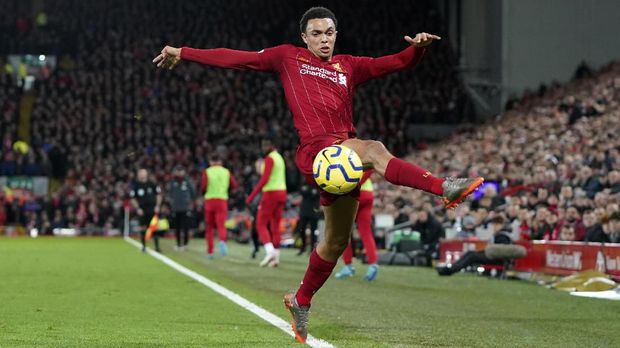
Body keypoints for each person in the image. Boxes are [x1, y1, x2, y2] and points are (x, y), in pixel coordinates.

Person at [153, 6, 483, 343]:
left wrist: (418, 49)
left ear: (336, 34)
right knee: (373, 148)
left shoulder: (348, 66)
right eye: (316, 34)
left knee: (335, 241)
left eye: (329, 33)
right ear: (304, 37)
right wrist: (184, 52)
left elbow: (395, 63)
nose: (324, 39)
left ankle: (300, 300)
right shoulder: (287, 58)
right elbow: (237, 58)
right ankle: (444, 187)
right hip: (315, 153)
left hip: (343, 163)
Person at [245, 138, 288, 267]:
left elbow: (264, 179)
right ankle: (276, 258)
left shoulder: (269, 159)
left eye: (265, 146)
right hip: (282, 192)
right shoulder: (279, 157)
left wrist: (251, 196)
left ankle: (270, 252)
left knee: (261, 224)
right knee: (275, 225)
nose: (263, 148)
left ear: (270, 146)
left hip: (271, 193)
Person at [334, 173, 379, 281]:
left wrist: (354, 185)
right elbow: (370, 168)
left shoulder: (349, 155)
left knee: (344, 232)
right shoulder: (364, 155)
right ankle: (373, 264)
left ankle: (348, 266)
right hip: (368, 193)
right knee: (366, 233)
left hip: (352, 193)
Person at [436, 215, 512, 276]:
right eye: (494, 224)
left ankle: (450, 270)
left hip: (496, 258)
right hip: (492, 255)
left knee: (472, 256)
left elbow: (501, 250)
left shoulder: (503, 236)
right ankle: (451, 268)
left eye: (497, 224)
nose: (495, 226)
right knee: (470, 253)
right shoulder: (499, 235)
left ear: (502, 225)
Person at [200, 154, 238, 259]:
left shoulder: (207, 172)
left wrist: (204, 193)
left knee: (210, 228)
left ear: (211, 162)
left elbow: (203, 187)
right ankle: (222, 241)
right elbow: (234, 185)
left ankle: (210, 252)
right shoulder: (226, 172)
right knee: (221, 225)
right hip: (222, 200)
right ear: (220, 162)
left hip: (210, 201)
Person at [130, 168, 162, 252]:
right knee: (142, 228)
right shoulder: (136, 185)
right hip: (142, 210)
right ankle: (143, 246)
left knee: (154, 228)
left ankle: (157, 247)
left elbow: (158, 195)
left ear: (146, 174)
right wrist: (138, 208)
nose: (142, 174)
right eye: (140, 173)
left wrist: (157, 206)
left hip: (152, 209)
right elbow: (133, 198)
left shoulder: (152, 184)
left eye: (143, 173)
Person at [167, 165, 196, 251]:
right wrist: (171, 203)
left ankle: (185, 244)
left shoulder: (187, 181)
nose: (179, 173)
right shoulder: (173, 182)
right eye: (177, 171)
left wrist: (190, 203)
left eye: (180, 171)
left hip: (186, 208)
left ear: (184, 172)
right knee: (177, 227)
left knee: (186, 227)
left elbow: (193, 193)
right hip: (176, 208)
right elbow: (170, 194)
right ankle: (179, 244)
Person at [294, 179, 321, 256]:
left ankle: (312, 249)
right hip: (304, 210)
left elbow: (316, 195)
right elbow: (302, 191)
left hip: (314, 210)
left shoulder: (317, 182)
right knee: (301, 228)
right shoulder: (304, 182)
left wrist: (308, 192)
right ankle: (303, 247)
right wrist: (310, 192)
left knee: (313, 230)